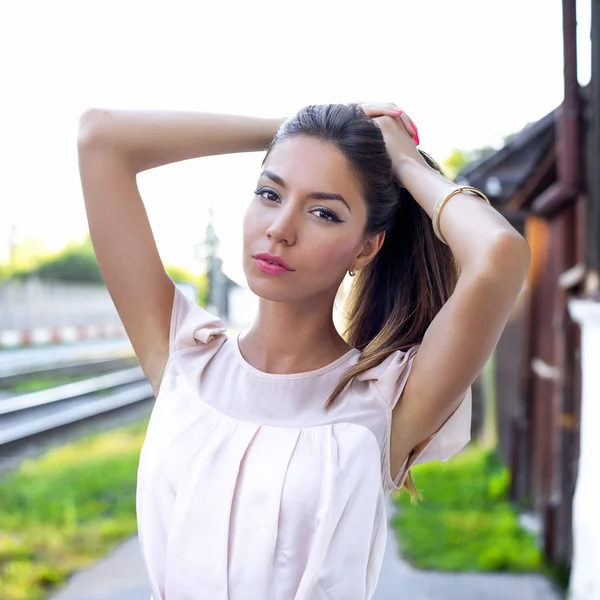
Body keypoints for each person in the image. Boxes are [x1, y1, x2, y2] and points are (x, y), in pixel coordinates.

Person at [77, 102, 530, 600]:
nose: (280, 229)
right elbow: (101, 138)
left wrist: (402, 162)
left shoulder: (385, 403)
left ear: (366, 248)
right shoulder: (186, 359)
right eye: (270, 193)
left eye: (323, 212)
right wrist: (297, 129)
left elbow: (498, 253)